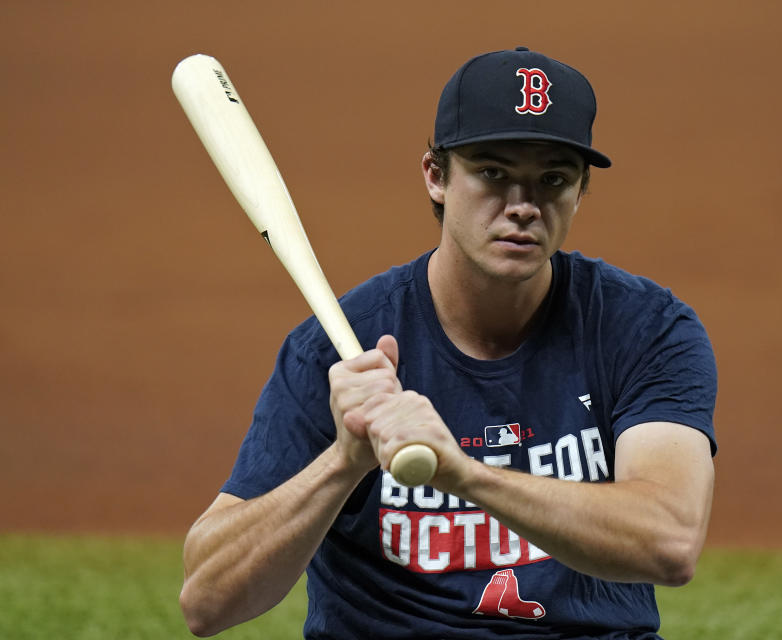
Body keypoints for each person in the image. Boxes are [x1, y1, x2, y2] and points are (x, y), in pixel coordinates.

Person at [179, 46, 718, 639]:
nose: (522, 207)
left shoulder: (642, 328)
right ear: (436, 176)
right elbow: (208, 601)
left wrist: (463, 474)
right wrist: (343, 462)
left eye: (553, 180)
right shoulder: (335, 349)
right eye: (492, 173)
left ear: (582, 190)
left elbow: (669, 542)